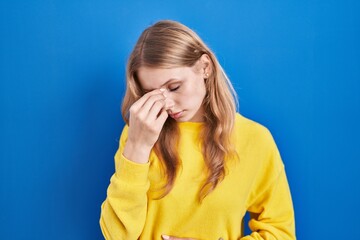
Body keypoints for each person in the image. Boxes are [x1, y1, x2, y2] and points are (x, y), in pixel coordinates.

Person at [99, 20, 296, 240]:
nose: (167, 104)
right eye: (151, 93)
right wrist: (137, 146)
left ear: (205, 67)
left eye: (174, 87)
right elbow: (116, 236)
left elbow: (280, 233)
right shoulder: (139, 134)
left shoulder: (255, 139)